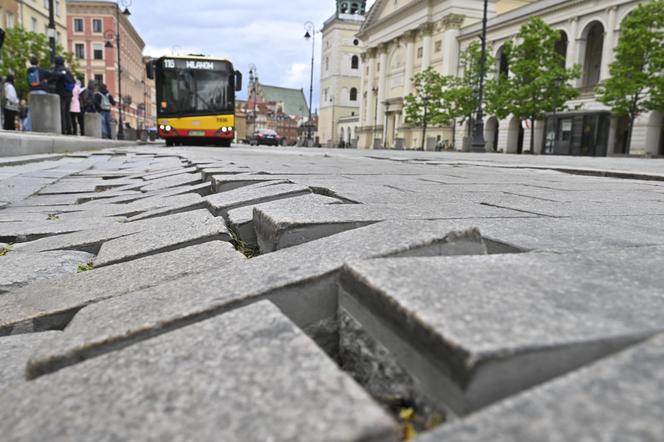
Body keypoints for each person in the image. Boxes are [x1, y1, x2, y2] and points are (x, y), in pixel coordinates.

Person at [24, 56, 50, 132]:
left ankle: (28, 127)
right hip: (41, 91)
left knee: (31, 110)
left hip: (31, 92)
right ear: (38, 62)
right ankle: (41, 127)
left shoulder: (29, 71)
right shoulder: (41, 71)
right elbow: (51, 75)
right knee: (41, 110)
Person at [51, 56, 75, 135]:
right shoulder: (67, 70)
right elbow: (73, 81)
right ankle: (69, 129)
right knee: (67, 112)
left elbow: (53, 79)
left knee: (61, 111)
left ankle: (63, 129)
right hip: (69, 93)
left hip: (61, 93)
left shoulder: (58, 70)